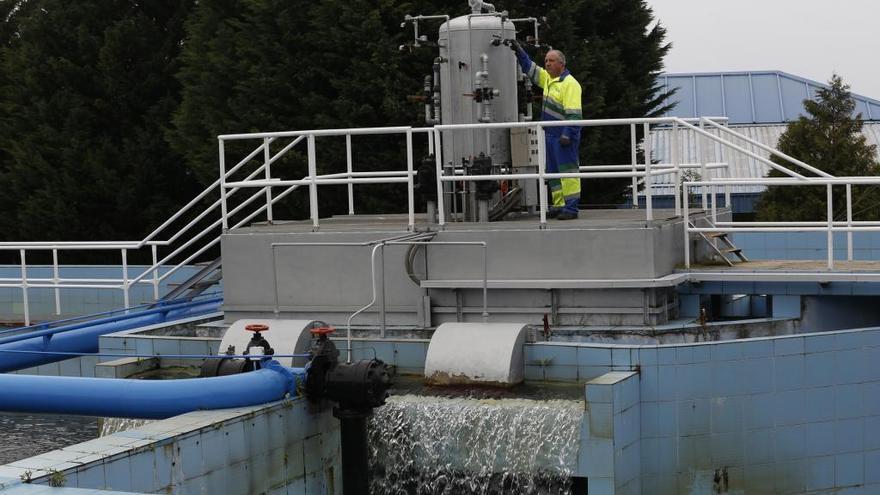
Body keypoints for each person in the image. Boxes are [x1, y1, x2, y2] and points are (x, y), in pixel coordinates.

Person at [512, 43, 583, 220]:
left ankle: (571, 208)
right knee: (552, 173)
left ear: (561, 64)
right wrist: (521, 54)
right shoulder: (549, 79)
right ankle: (559, 205)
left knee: (568, 172)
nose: (547, 64)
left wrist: (567, 133)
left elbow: (574, 114)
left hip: (564, 135)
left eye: (551, 61)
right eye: (546, 61)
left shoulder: (570, 84)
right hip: (550, 135)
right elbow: (531, 69)